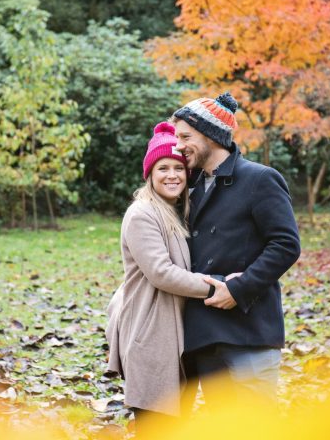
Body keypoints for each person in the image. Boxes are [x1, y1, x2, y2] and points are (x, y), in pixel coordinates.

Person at [171, 91, 301, 404]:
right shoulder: (191, 187)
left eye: (185, 136)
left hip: (249, 331)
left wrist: (239, 289)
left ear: (210, 135)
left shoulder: (260, 179)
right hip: (205, 334)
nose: (178, 145)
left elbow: (286, 244)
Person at [106, 121, 231, 436]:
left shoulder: (177, 211)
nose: (172, 175)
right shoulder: (142, 214)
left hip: (177, 334)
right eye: (163, 168)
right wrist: (217, 285)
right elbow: (161, 273)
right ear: (150, 173)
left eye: (178, 167)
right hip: (150, 334)